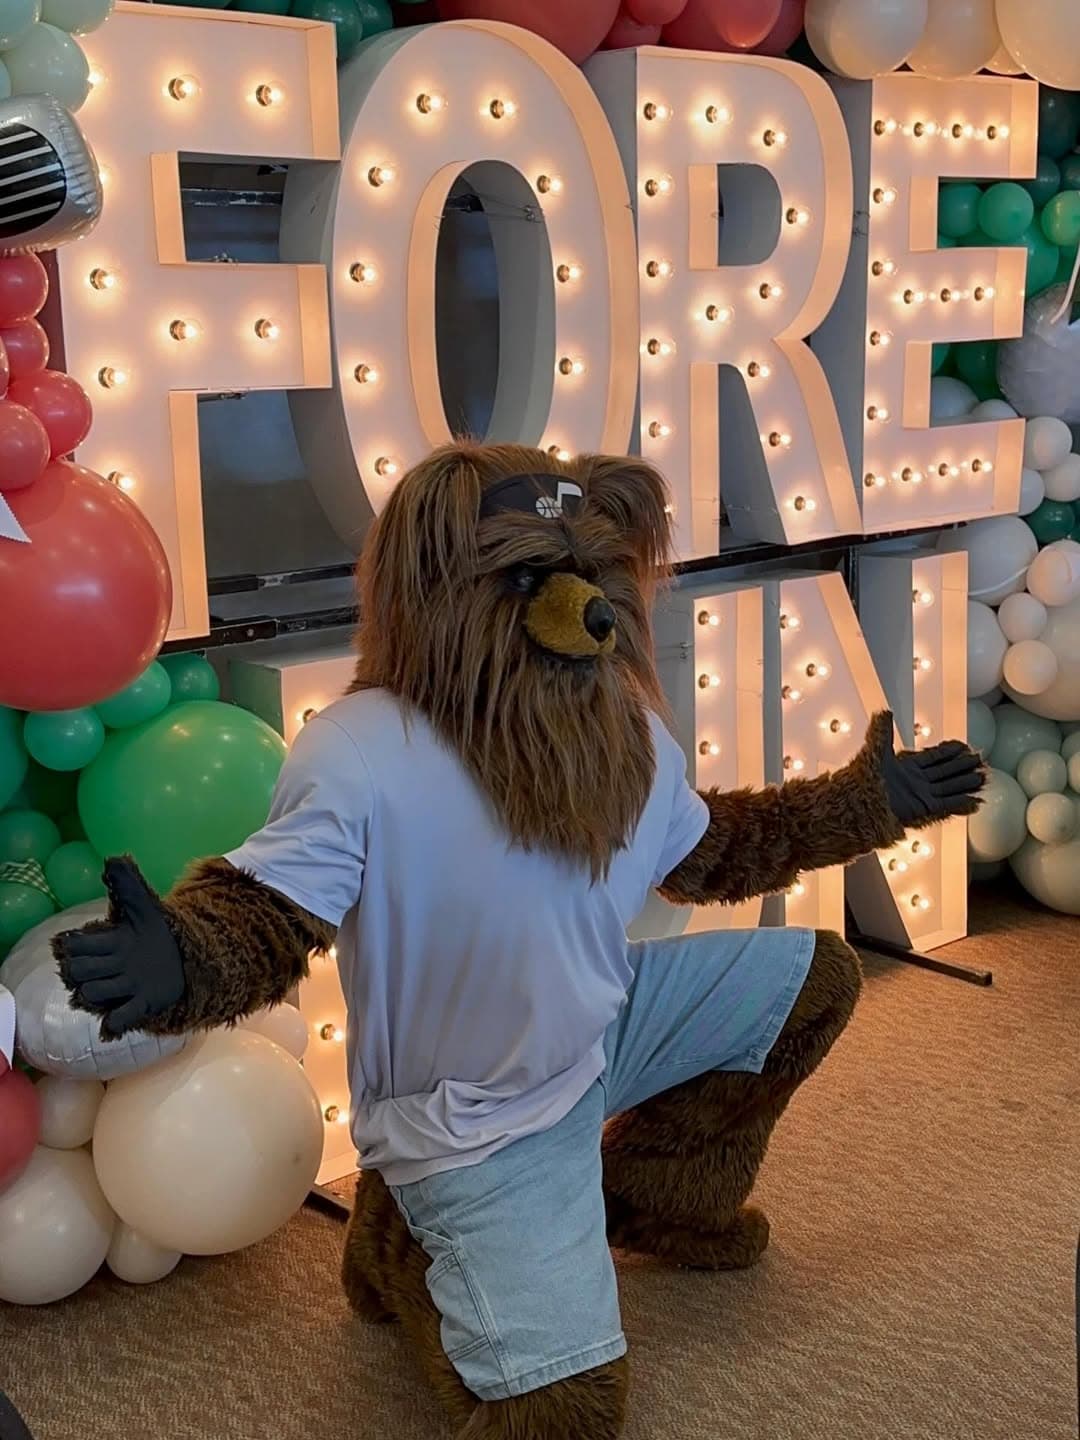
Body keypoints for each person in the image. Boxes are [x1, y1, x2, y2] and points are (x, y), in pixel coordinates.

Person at [55, 443, 984, 1440]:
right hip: (474, 1121)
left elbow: (713, 852)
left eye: (588, 571)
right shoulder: (367, 748)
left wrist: (866, 803)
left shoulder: (618, 732)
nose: (584, 606)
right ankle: (407, 1244)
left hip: (596, 1027)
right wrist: (184, 962)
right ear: (446, 592)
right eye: (535, 578)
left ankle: (657, 1202)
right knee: (570, 1411)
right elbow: (270, 915)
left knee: (812, 980)